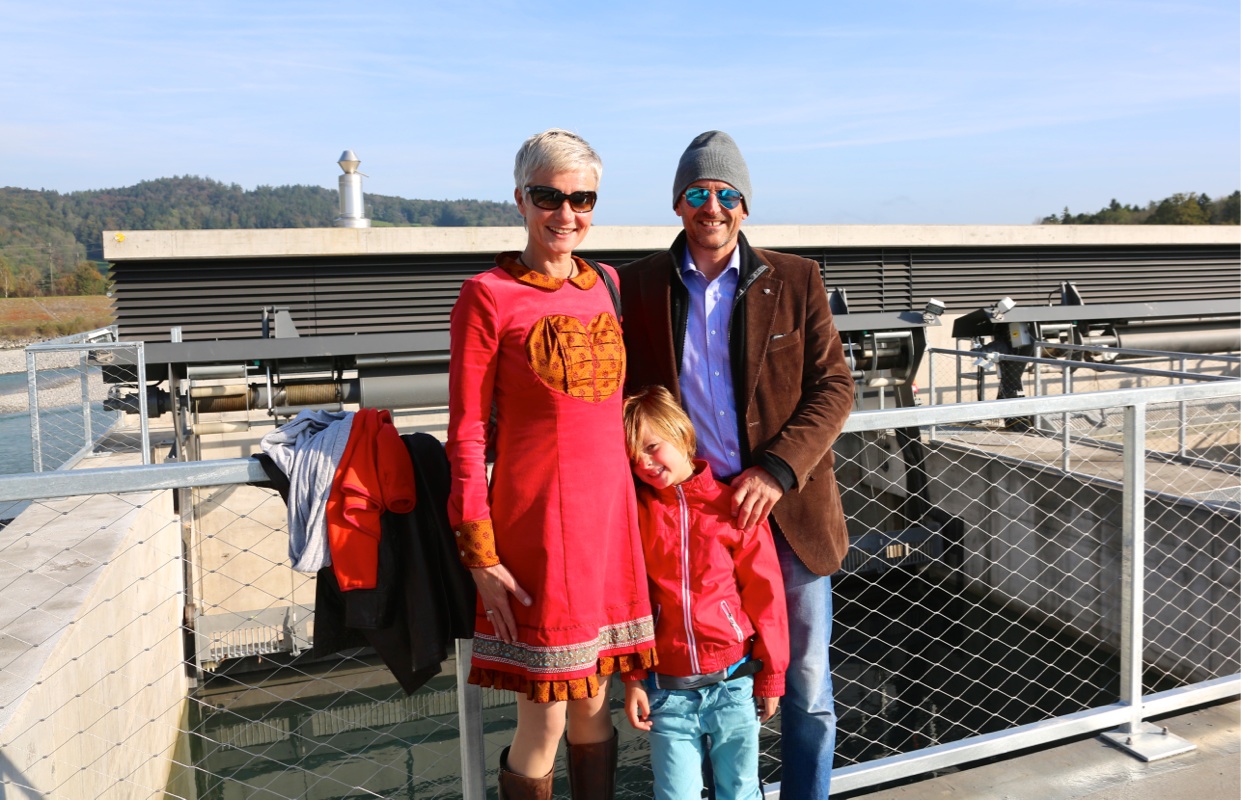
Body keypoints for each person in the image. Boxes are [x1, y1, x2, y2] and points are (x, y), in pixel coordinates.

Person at [620, 130, 855, 799]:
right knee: (686, 687)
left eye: (726, 194)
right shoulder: (637, 285)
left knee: (805, 687)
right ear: (677, 204)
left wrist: (778, 468)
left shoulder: (796, 278)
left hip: (784, 513)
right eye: (697, 194)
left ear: (745, 205)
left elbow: (834, 387)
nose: (712, 207)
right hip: (688, 517)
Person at [446, 128, 656, 800]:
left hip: (610, 528)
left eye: (581, 199)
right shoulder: (486, 295)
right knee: (545, 714)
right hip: (539, 531)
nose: (566, 213)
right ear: (520, 199)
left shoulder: (609, 285)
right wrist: (479, 555)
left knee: (594, 702)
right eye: (549, 197)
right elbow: (466, 434)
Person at [620, 385, 789, 800]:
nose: (645, 462)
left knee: (740, 791)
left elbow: (766, 597)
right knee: (675, 794)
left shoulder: (733, 506)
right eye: (634, 456)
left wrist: (771, 676)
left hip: (733, 684)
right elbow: (628, 598)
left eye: (652, 447)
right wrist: (633, 679)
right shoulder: (636, 513)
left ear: (681, 434)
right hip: (666, 690)